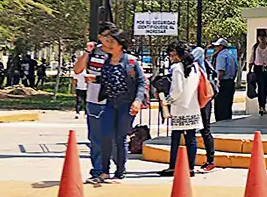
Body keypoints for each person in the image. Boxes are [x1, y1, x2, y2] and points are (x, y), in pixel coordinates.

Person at [94, 25, 147, 182]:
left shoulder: (131, 62)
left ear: (120, 43)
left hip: (126, 104)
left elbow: (141, 82)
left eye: (112, 41)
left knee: (120, 138)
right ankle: (104, 171)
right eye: (107, 41)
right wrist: (95, 79)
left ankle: (120, 172)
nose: (108, 44)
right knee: (105, 135)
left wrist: (137, 101)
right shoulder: (107, 61)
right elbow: (107, 79)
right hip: (111, 103)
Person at [74, 24, 114, 181]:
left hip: (114, 100)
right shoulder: (93, 52)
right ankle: (98, 170)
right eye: (105, 35)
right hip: (94, 100)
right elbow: (77, 70)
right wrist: (87, 52)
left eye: (111, 35)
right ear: (99, 37)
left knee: (115, 138)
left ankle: (117, 169)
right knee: (96, 139)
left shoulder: (119, 52)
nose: (108, 39)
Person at [159, 42, 202, 178]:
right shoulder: (195, 67)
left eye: (173, 55)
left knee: (176, 138)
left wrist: (167, 100)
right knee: (191, 138)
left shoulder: (177, 68)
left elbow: (177, 90)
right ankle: (190, 167)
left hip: (180, 107)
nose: (171, 58)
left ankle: (173, 166)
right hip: (193, 106)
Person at [191, 46, 216, 171]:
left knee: (205, 130)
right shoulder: (197, 67)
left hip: (203, 100)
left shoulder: (198, 68)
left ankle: (210, 160)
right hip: (200, 101)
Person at [212, 38, 238, 121]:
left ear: (221, 47)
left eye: (216, 46)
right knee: (228, 103)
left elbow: (221, 71)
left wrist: (217, 82)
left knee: (220, 105)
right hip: (230, 82)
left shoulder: (221, 56)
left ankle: (221, 120)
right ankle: (227, 119)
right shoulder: (231, 55)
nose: (215, 48)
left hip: (223, 82)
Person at [250, 33, 267, 115]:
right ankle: (261, 106)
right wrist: (250, 69)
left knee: (264, 87)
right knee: (260, 87)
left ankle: (263, 105)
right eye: (260, 37)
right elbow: (252, 58)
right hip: (258, 68)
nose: (262, 38)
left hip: (266, 68)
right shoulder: (255, 47)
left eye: (263, 37)